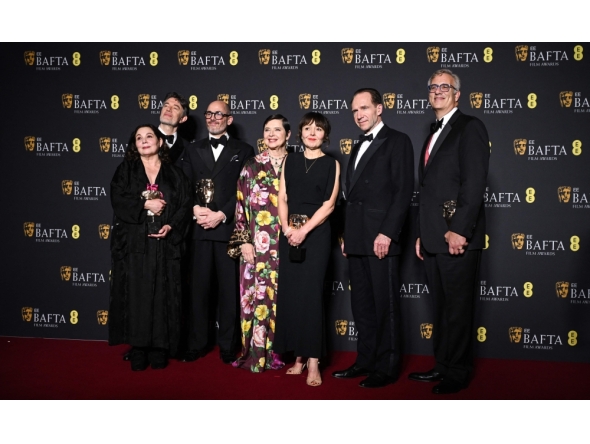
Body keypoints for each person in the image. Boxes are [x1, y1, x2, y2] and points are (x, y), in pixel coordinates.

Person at [409, 69, 490, 394]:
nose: (438, 91)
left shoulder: (470, 127)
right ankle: (442, 365)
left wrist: (459, 230)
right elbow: (430, 190)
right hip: (432, 239)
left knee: (457, 310)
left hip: (457, 239)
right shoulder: (433, 133)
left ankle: (457, 372)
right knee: (441, 309)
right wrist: (421, 233)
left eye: (446, 86)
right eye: (434, 86)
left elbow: (474, 183)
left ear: (458, 94)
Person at [332, 88, 414, 388]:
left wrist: (388, 233)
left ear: (380, 108)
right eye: (354, 110)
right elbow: (351, 197)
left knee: (385, 306)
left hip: (381, 238)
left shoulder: (398, 141)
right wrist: (345, 235)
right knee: (362, 305)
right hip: (356, 238)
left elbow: (403, 191)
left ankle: (388, 366)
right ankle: (365, 360)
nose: (359, 114)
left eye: (364, 108)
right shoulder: (357, 145)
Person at [108, 124, 192, 371]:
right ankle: (138, 347)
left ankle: (159, 347)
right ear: (134, 145)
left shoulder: (176, 174)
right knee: (137, 294)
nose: (144, 141)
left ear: (160, 142)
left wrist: (171, 227)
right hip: (135, 244)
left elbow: (185, 205)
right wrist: (146, 206)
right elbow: (118, 199)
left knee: (163, 293)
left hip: (165, 245)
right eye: (138, 138)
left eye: (149, 136)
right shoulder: (125, 170)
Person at [181, 100, 255, 364]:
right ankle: (197, 342)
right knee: (198, 291)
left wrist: (222, 214)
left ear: (230, 119)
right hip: (199, 230)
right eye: (209, 114)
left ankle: (227, 344)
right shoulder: (192, 149)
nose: (213, 118)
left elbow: (245, 191)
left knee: (229, 293)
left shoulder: (244, 150)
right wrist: (194, 209)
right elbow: (183, 186)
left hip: (227, 230)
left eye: (219, 114)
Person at [273, 112, 340, 387]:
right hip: (289, 234)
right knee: (293, 295)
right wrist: (288, 230)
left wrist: (303, 230)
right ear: (299, 133)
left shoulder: (332, 164)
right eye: (308, 128)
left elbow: (329, 205)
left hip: (316, 235)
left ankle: (313, 361)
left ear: (326, 134)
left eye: (319, 129)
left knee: (311, 296)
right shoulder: (290, 159)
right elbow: (282, 197)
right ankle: (298, 356)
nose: (313, 133)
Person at [230, 114, 290, 373]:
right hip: (256, 246)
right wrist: (244, 241)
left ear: (288, 134)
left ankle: (281, 352)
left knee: (283, 298)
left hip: (287, 244)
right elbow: (240, 206)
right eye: (267, 130)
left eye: (277, 130)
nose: (272, 134)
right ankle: (254, 351)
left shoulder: (297, 163)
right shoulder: (251, 165)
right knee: (255, 299)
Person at [158, 92, 189, 165]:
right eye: (166, 105)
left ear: (182, 119)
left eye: (175, 108)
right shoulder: (142, 139)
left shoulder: (188, 148)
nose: (168, 109)